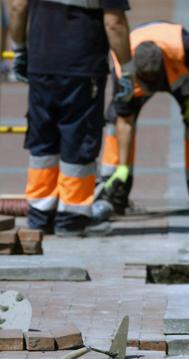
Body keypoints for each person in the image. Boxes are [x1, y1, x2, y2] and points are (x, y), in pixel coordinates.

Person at [9, 0, 134, 236]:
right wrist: (127, 69)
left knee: (43, 137)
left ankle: (40, 214)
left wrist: (19, 50)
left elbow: (17, 6)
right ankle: (71, 217)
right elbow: (114, 23)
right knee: (79, 137)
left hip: (41, 63)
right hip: (82, 66)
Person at [98, 21, 189, 219]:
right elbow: (126, 121)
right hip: (134, 75)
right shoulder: (122, 69)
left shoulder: (187, 48)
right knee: (116, 122)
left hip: (182, 74)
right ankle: (113, 194)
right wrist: (122, 166)